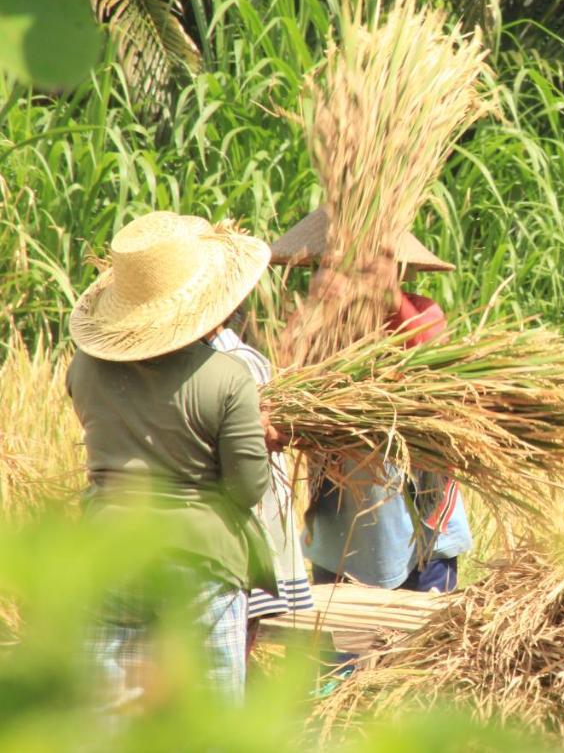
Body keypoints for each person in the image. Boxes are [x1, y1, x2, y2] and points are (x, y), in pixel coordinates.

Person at [66, 212, 277, 709]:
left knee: (106, 716)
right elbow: (248, 488)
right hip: (199, 560)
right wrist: (261, 438)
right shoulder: (227, 378)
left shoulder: (83, 370)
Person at [271, 208, 473, 592]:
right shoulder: (316, 325)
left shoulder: (418, 310)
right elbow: (285, 385)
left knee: (418, 648)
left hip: (421, 530)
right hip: (341, 531)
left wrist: (391, 300)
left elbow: (441, 365)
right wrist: (316, 310)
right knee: (343, 648)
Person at [210, 312, 315, 653]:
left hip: (248, 504)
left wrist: (266, 433)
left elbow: (249, 447)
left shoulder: (236, 362)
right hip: (237, 499)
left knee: (237, 633)